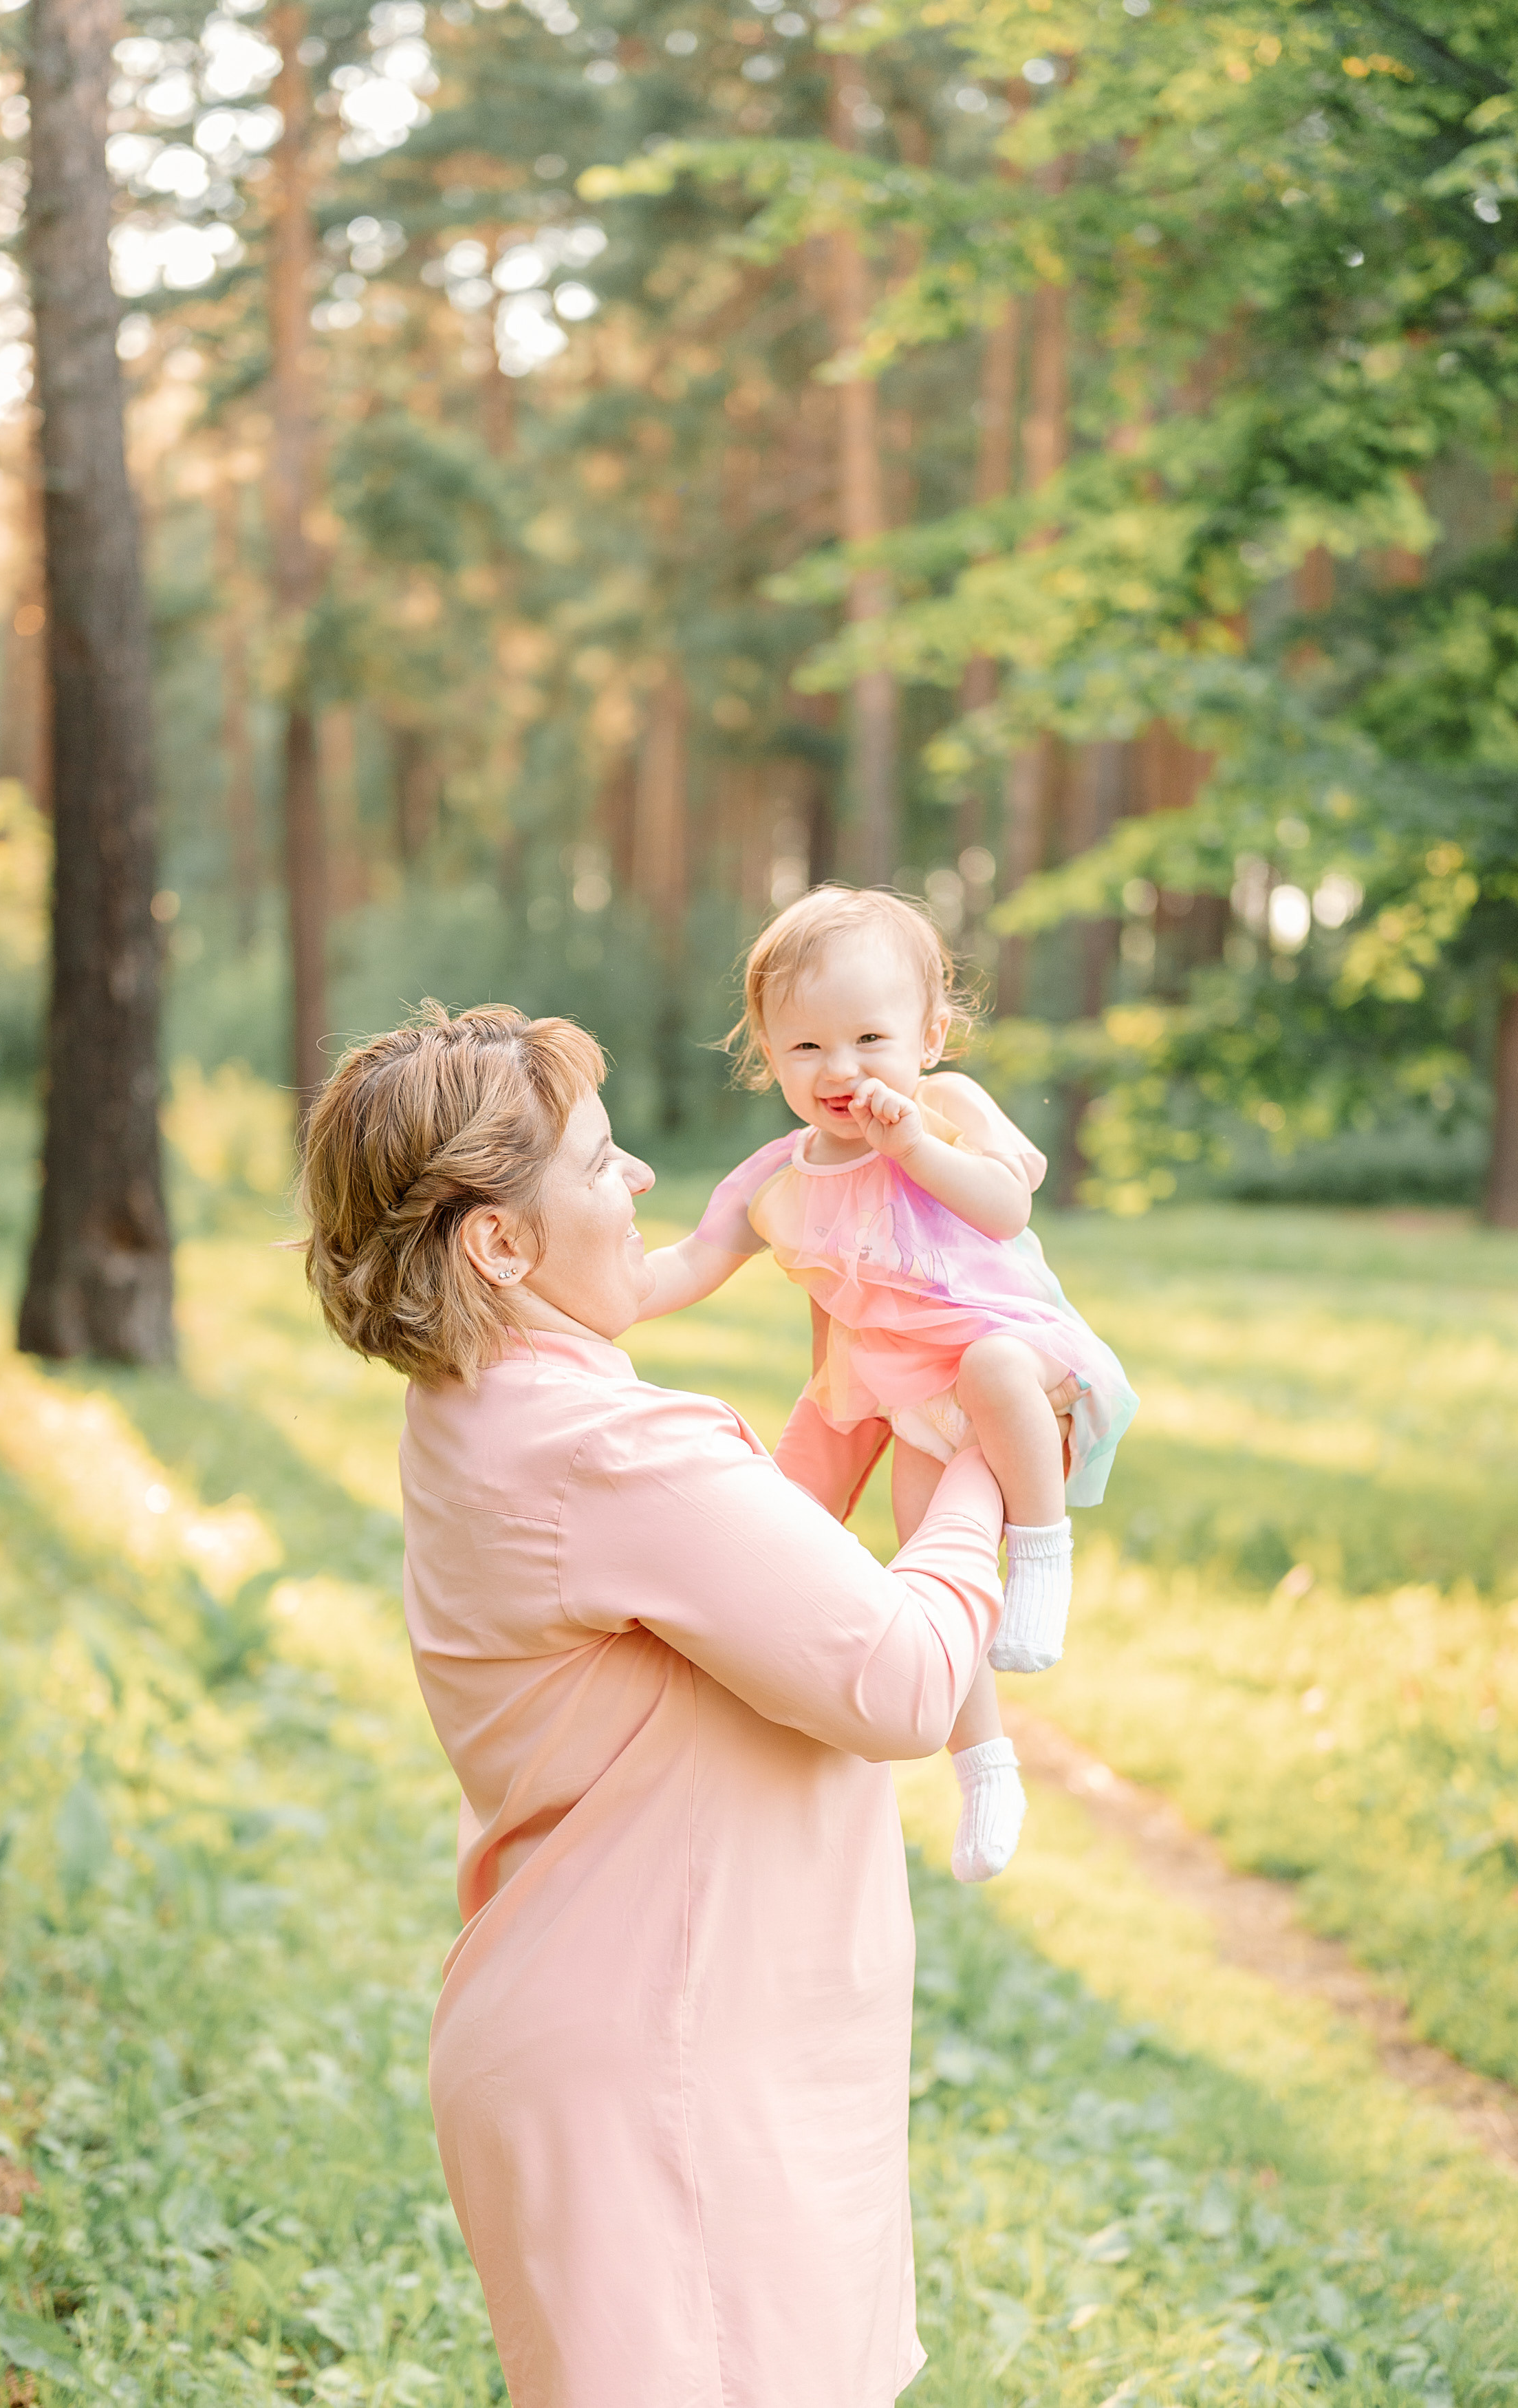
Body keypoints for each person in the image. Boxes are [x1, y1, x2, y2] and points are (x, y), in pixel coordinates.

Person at [300, 999, 1011, 2408]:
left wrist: (866, 1405)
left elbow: (741, 1583)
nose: (636, 1185)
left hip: (665, 2050)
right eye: (598, 1160)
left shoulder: (486, 1407)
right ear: (499, 1243)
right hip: (662, 2076)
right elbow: (907, 1680)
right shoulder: (604, 1446)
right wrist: (996, 1451)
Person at [638, 885, 1138, 1884]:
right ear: (766, 1054)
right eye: (806, 1048)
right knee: (929, 1587)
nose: (843, 1070)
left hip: (1026, 1364)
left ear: (930, 1034)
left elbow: (1003, 1207)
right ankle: (985, 1767)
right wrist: (571, 1284)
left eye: (870, 1037)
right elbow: (684, 1266)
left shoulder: (945, 1107)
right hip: (913, 1413)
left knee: (991, 1367)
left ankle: (1042, 1555)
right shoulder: (777, 1182)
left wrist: (911, 1140)